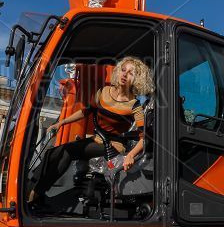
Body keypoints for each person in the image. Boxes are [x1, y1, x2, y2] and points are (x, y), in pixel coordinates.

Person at [28, 56, 154, 204]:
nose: (125, 75)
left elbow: (143, 137)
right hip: (96, 139)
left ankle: (34, 195)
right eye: (123, 70)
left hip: (113, 145)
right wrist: (60, 123)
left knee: (68, 152)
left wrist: (131, 155)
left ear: (137, 79)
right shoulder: (103, 92)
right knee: (52, 152)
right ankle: (32, 188)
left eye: (131, 73)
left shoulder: (134, 106)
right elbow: (84, 112)